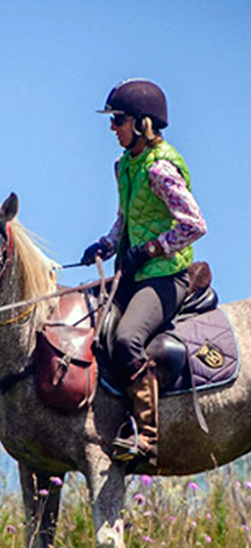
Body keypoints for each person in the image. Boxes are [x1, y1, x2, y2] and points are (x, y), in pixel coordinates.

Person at [80, 78, 207, 466]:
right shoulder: (125, 166)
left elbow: (195, 224)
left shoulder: (160, 167)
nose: (112, 127)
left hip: (167, 275)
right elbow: (126, 218)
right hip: (137, 273)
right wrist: (106, 243)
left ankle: (148, 438)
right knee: (91, 326)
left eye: (118, 119)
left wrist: (150, 249)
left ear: (142, 123)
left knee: (126, 340)